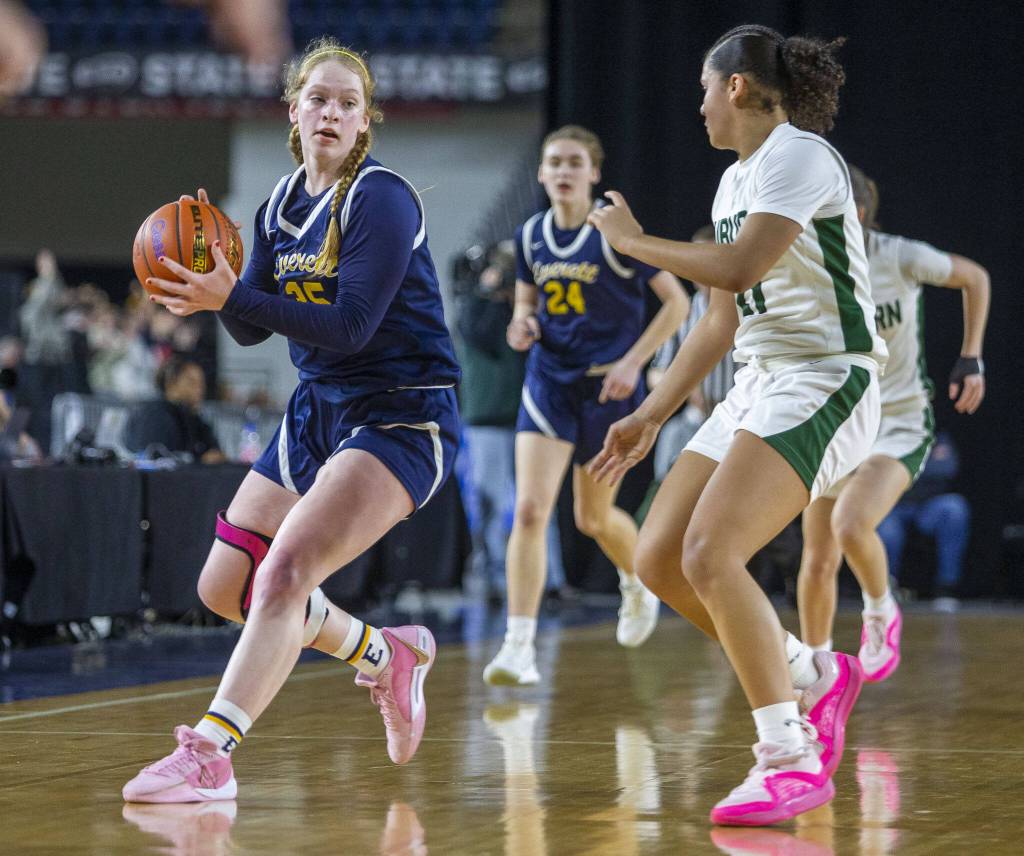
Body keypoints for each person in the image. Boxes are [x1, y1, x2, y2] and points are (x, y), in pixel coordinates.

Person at [122, 37, 461, 803]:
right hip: (319, 411)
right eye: (319, 98)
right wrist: (211, 280)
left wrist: (233, 297)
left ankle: (211, 753)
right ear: (294, 110)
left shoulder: (379, 197)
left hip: (399, 413)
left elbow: (349, 328)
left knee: (284, 574)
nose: (332, 112)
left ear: (366, 119)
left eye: (348, 102)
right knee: (223, 584)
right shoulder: (279, 203)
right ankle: (386, 657)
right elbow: (248, 326)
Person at [587, 25, 886, 825]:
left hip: (829, 375)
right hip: (758, 380)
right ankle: (816, 675)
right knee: (657, 558)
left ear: (738, 88)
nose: (698, 104)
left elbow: (741, 267)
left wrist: (631, 242)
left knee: (713, 551)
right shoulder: (732, 183)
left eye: (703, 87)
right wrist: (650, 415)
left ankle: (788, 758)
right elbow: (717, 323)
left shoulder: (800, 155)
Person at [482, 125, 688, 686]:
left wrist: (637, 362)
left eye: (576, 162)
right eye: (555, 162)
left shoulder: (612, 232)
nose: (565, 170)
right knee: (528, 510)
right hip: (549, 381)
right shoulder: (529, 236)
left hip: (609, 390)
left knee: (591, 518)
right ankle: (518, 646)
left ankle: (636, 579)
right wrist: (521, 324)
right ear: (543, 174)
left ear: (593, 173)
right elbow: (526, 301)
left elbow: (677, 303)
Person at [796, 166, 988, 671]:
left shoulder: (897, 255)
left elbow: (975, 277)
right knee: (816, 557)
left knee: (850, 523)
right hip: (835, 422)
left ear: (855, 214)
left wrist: (971, 357)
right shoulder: (807, 264)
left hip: (898, 420)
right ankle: (817, 673)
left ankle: (881, 609)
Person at [876, 432, 971, 611]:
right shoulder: (886, 435)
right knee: (887, 529)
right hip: (894, 505)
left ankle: (946, 588)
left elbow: (946, 469)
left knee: (955, 509)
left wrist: (903, 469)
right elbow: (876, 474)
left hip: (930, 505)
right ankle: (884, 591)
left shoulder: (938, 437)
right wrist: (923, 466)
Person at [125, 355, 225, 463]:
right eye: (191, 382)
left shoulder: (194, 418)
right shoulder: (155, 415)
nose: (199, 388)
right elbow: (157, 460)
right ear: (171, 383)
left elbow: (214, 451)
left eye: (202, 383)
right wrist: (200, 460)